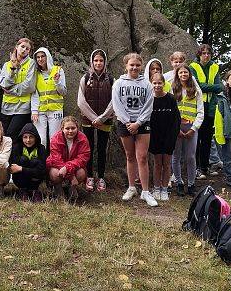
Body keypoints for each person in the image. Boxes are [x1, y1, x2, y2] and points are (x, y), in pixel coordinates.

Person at [112, 53, 157, 207]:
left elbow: (149, 105)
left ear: (141, 66)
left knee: (142, 157)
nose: (134, 67)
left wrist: (137, 123)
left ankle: (145, 191)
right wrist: (127, 122)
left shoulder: (147, 84)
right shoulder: (118, 83)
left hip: (142, 123)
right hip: (125, 123)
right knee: (130, 156)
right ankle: (131, 187)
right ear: (126, 66)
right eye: (131, 65)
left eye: (137, 65)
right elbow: (116, 104)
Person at [77, 49, 114, 193]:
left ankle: (102, 177)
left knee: (102, 149)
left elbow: (114, 101)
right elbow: (81, 101)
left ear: (105, 62)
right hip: (88, 120)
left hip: (105, 120)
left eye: (101, 60)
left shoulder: (111, 79)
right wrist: (94, 118)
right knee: (89, 148)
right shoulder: (85, 78)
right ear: (91, 62)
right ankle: (90, 176)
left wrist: (102, 118)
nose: (98, 63)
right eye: (96, 60)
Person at [189, 44, 223, 178]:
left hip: (211, 107)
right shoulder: (193, 67)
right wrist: (213, 87)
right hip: (198, 106)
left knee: (207, 139)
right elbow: (197, 86)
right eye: (203, 53)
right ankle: (197, 168)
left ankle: (205, 166)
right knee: (197, 139)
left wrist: (211, 87)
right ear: (199, 54)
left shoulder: (215, 67)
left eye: (208, 53)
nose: (206, 55)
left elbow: (219, 87)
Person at [171, 64, 204, 196]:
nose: (183, 75)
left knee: (190, 156)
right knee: (176, 156)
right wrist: (175, 127)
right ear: (177, 75)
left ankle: (191, 184)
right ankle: (179, 182)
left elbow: (200, 112)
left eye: (186, 72)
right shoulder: (173, 89)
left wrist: (194, 128)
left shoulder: (196, 90)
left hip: (191, 127)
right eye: (181, 73)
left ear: (189, 74)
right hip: (176, 127)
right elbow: (171, 111)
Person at [148, 72, 181, 201]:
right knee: (157, 163)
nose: (157, 85)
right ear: (151, 84)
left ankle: (164, 189)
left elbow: (176, 120)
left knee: (166, 164)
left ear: (164, 83)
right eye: (154, 83)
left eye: (159, 83)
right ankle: (156, 188)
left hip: (168, 136)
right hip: (154, 136)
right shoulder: (149, 99)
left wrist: (173, 136)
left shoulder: (171, 99)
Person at [46, 116, 90, 200]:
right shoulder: (55, 138)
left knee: (81, 173)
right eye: (67, 128)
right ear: (62, 128)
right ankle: (58, 187)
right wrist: (72, 177)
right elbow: (56, 159)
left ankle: (71, 188)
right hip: (58, 166)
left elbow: (83, 158)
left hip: (72, 167)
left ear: (77, 128)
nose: (70, 131)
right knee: (54, 174)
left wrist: (67, 167)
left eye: (73, 128)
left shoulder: (83, 138)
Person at [0, 38, 36, 138]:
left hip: (22, 108)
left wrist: (11, 90)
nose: (24, 50)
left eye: (27, 49)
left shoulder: (31, 63)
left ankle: (14, 154)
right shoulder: (7, 64)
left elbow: (29, 86)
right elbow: (3, 84)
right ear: (17, 47)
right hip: (6, 107)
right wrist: (13, 69)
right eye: (22, 47)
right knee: (3, 135)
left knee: (12, 134)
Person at [31, 47, 67, 148]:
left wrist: (57, 82)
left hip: (55, 110)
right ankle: (41, 162)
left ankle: (54, 162)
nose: (40, 59)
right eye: (38, 57)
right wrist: (34, 111)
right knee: (40, 139)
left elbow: (63, 92)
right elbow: (34, 94)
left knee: (54, 139)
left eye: (42, 56)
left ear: (47, 57)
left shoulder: (58, 70)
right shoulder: (35, 73)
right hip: (40, 110)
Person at [9, 122, 47, 202]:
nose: (28, 140)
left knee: (35, 162)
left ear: (36, 137)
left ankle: (34, 190)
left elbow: (42, 170)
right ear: (21, 138)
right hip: (20, 179)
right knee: (23, 159)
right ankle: (23, 190)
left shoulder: (41, 148)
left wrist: (21, 169)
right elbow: (13, 168)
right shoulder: (17, 147)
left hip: (35, 180)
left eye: (31, 137)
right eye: (25, 137)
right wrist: (24, 168)